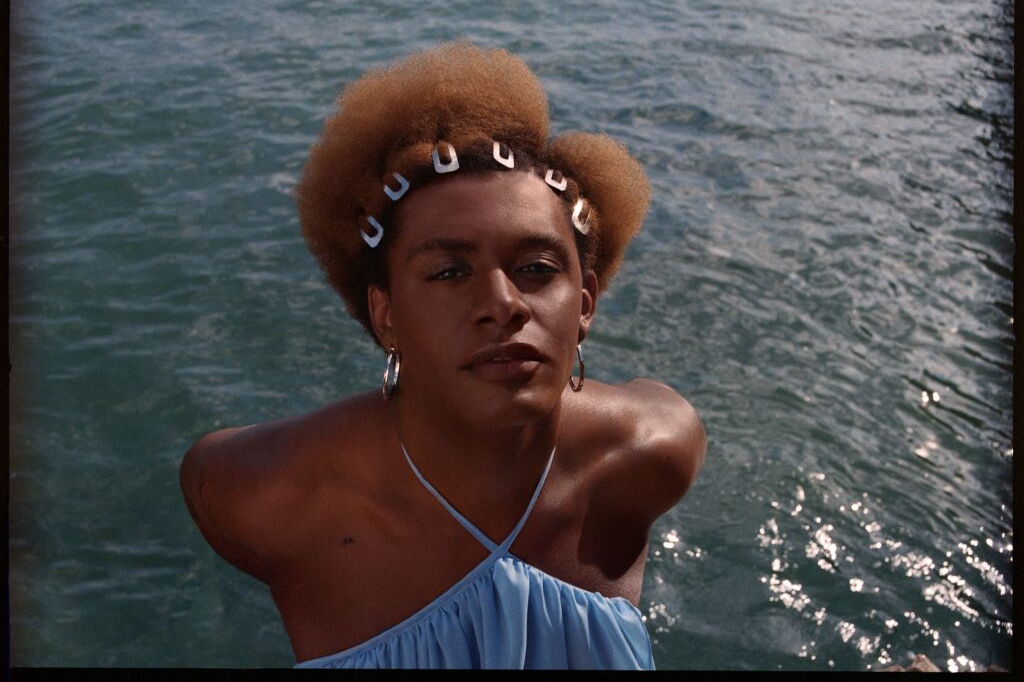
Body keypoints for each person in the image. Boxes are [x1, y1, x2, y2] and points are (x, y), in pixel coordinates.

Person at [180, 42, 706, 670]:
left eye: (537, 268)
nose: (502, 304)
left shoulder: (650, 454)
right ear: (386, 315)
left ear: (586, 302)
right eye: (450, 272)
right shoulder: (264, 493)